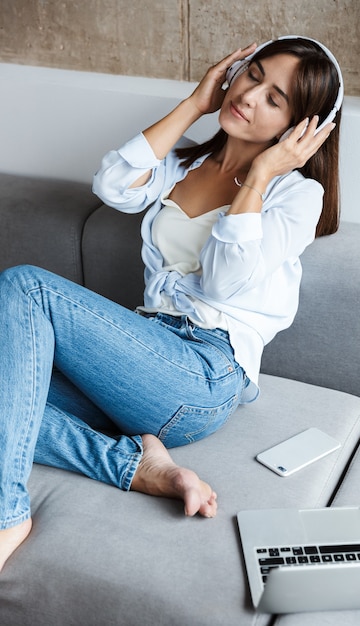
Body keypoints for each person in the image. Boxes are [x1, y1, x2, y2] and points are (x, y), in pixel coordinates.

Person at [0, 37, 342, 571]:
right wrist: (194, 106)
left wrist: (257, 176)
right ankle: (135, 466)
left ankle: (6, 515)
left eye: (276, 100)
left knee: (27, 285)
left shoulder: (295, 196)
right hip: (142, 356)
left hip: (202, 374)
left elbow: (227, 282)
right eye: (253, 76)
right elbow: (113, 183)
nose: (251, 97)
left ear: (298, 130)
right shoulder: (183, 165)